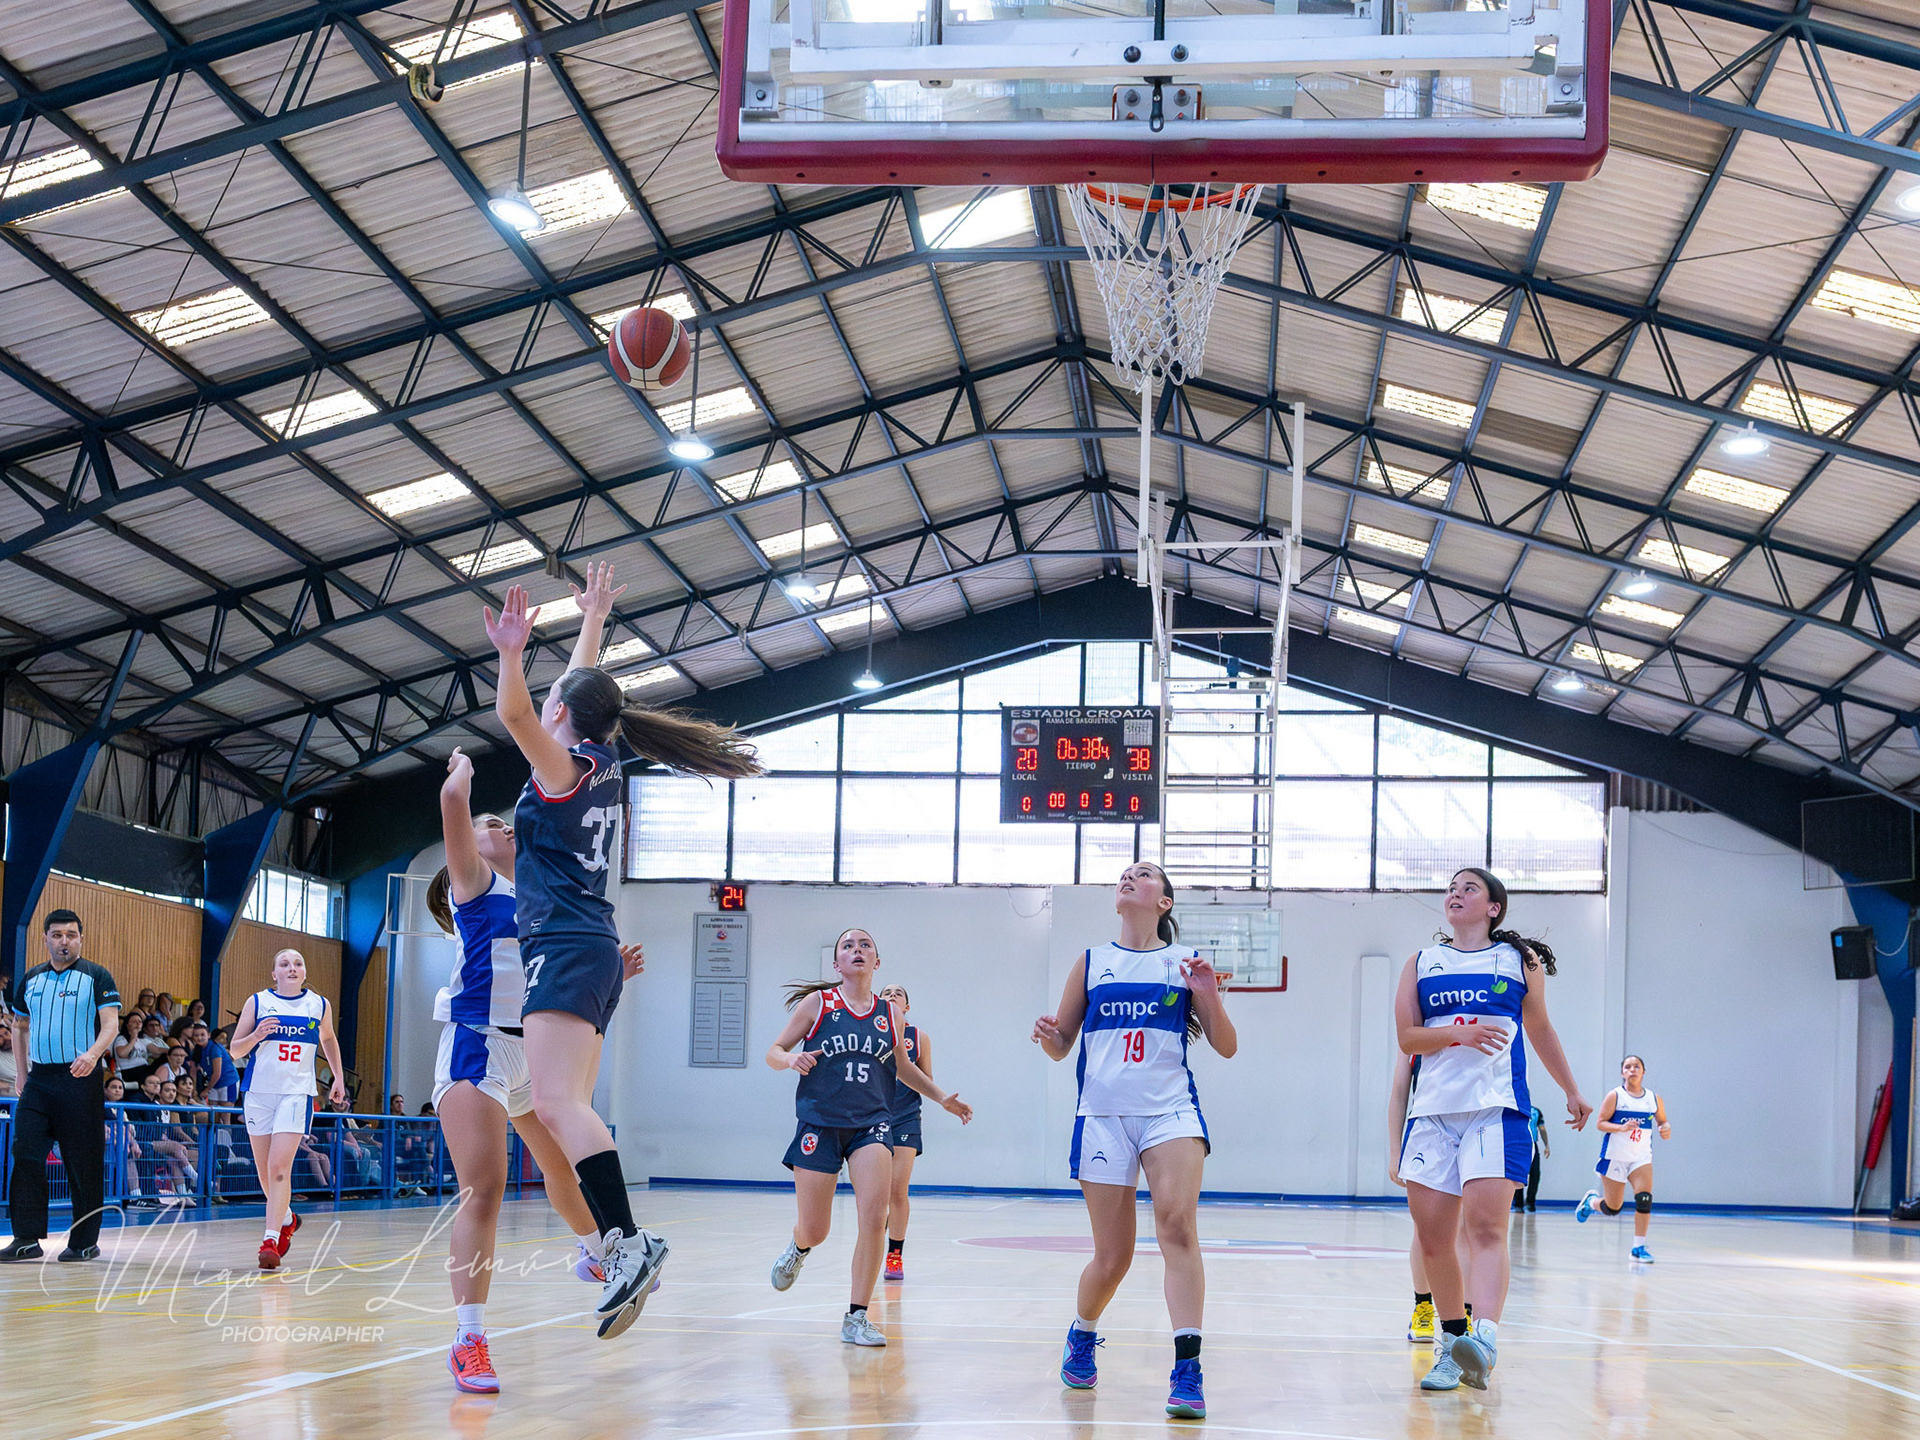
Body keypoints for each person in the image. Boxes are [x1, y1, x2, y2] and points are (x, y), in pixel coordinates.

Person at [483, 572, 760, 1337]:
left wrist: (510, 654)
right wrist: (594, 621)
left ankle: (629, 1243)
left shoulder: (563, 766)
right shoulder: (598, 762)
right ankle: (614, 1245)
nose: (544, 708)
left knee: (556, 1105)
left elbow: (516, 709)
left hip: (569, 946)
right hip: (588, 945)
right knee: (556, 1103)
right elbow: (572, 699)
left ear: (563, 714)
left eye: (554, 704)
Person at [431, 709, 659, 1390]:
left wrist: (611, 968)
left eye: (505, 821)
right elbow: (453, 809)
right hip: (477, 1049)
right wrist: (460, 780)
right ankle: (468, 1338)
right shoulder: (475, 889)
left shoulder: (546, 891)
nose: (498, 826)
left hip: (531, 1049)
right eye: (488, 824)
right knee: (487, 1190)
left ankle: (600, 1253)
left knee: (564, 1169)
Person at [1030, 862, 1237, 1421]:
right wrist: (1049, 1037)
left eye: (1143, 874)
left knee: (1176, 1227)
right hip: (1101, 1116)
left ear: (1164, 902)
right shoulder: (1092, 961)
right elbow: (1061, 1046)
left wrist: (1209, 994)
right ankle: (1083, 1330)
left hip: (1170, 1111)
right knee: (1113, 1256)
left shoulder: (1184, 963)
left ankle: (1187, 1367)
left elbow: (1226, 1046)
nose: (1129, 878)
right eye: (1125, 874)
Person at [1395, 867, 1592, 1395]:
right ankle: (1451, 1345)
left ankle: (1483, 1338)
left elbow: (1541, 1027)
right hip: (1433, 1115)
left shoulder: (1518, 962)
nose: (1455, 894)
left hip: (1497, 1109)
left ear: (1494, 908)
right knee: (1435, 1240)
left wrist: (1571, 1090)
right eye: (1452, 888)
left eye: (1469, 889)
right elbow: (1408, 1038)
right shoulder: (1420, 963)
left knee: (1485, 1230)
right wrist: (1457, 1032)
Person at [765, 928, 971, 1347]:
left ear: (876, 962)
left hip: (873, 1124)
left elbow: (903, 1067)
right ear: (836, 963)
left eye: (865, 946)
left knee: (875, 1219)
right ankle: (799, 1247)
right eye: (848, 946)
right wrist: (791, 1058)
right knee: (816, 1228)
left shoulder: (889, 1014)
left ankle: (856, 1316)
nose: (856, 950)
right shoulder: (817, 1004)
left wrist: (940, 1097)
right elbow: (773, 1050)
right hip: (819, 1122)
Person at [2, 909, 120, 1262]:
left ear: (81, 939)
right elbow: (20, 1028)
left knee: (82, 1162)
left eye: (70, 935)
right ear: (45, 939)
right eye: (56, 935)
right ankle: (25, 1237)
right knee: (25, 1153)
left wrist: (93, 1055)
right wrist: (22, 1074)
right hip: (39, 1080)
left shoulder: (96, 976)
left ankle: (84, 1242)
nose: (63, 941)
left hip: (80, 1079)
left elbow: (111, 1025)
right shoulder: (31, 979)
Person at [227, 948, 347, 1270]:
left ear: (304, 973)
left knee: (280, 1167)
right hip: (259, 1094)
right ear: (274, 973)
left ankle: (270, 1239)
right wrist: (256, 1034)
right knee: (266, 1172)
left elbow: (330, 1039)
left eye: (298, 964)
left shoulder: (319, 1005)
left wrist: (338, 1077)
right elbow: (235, 1049)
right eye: (284, 963)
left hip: (296, 1094)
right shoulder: (257, 1002)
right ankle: (289, 1217)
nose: (291, 968)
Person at [1389, 1051, 1474, 1344]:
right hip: (1429, 1129)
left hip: (1477, 1128)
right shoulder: (1414, 1040)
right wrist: (1394, 1152)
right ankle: (1423, 1305)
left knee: (1466, 1227)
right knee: (1427, 1227)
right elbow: (1400, 1093)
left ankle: (1465, 1314)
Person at [1574, 1055, 1670, 1263]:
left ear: (1643, 1072)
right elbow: (1600, 1123)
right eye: (1628, 1067)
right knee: (1612, 1208)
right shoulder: (1615, 1096)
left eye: (1637, 1066)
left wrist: (1665, 1128)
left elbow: (1662, 1121)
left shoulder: (1654, 1099)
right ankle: (1592, 1202)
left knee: (1644, 1198)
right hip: (1615, 1157)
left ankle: (1638, 1248)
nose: (1632, 1070)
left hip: (1641, 1158)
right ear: (1622, 1072)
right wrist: (1621, 1127)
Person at [876, 983, 925, 1284]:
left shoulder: (919, 1038)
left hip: (905, 1118)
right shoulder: (869, 1032)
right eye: (886, 992)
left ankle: (895, 1255)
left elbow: (925, 1079)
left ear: (907, 1006)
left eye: (898, 993)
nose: (892, 995)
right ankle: (870, 1246)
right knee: (875, 1194)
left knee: (897, 1191)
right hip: (871, 1118)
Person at [1512, 1103, 1549, 1213]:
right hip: (1518, 1144)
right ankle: (1518, 1203)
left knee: (1535, 1174)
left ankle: (1530, 1202)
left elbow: (1542, 1128)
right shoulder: (1515, 1109)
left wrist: (1547, 1145)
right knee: (1518, 1174)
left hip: (1532, 1144)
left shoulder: (1535, 1111)